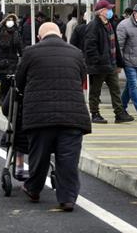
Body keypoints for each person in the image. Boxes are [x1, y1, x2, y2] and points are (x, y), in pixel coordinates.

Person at [16, 22, 91, 211]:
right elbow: (82, 77)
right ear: (60, 35)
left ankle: (33, 189)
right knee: (68, 159)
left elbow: (19, 81)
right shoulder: (76, 52)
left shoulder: (30, 52)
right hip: (73, 116)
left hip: (40, 116)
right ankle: (67, 199)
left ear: (40, 37)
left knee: (39, 157)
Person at [84, 0, 125, 124]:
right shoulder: (93, 26)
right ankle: (95, 113)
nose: (110, 11)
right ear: (101, 11)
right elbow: (90, 47)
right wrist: (98, 60)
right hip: (99, 65)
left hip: (110, 64)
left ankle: (119, 113)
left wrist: (119, 62)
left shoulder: (110, 24)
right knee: (96, 91)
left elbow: (115, 45)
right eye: (108, 9)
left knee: (115, 88)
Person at [0, 14, 23, 102]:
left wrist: (23, 56)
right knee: (4, 81)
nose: (10, 21)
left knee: (11, 82)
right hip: (2, 60)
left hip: (13, 60)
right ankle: (2, 98)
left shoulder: (16, 32)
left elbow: (20, 46)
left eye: (12, 20)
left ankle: (8, 100)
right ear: (5, 20)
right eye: (8, 19)